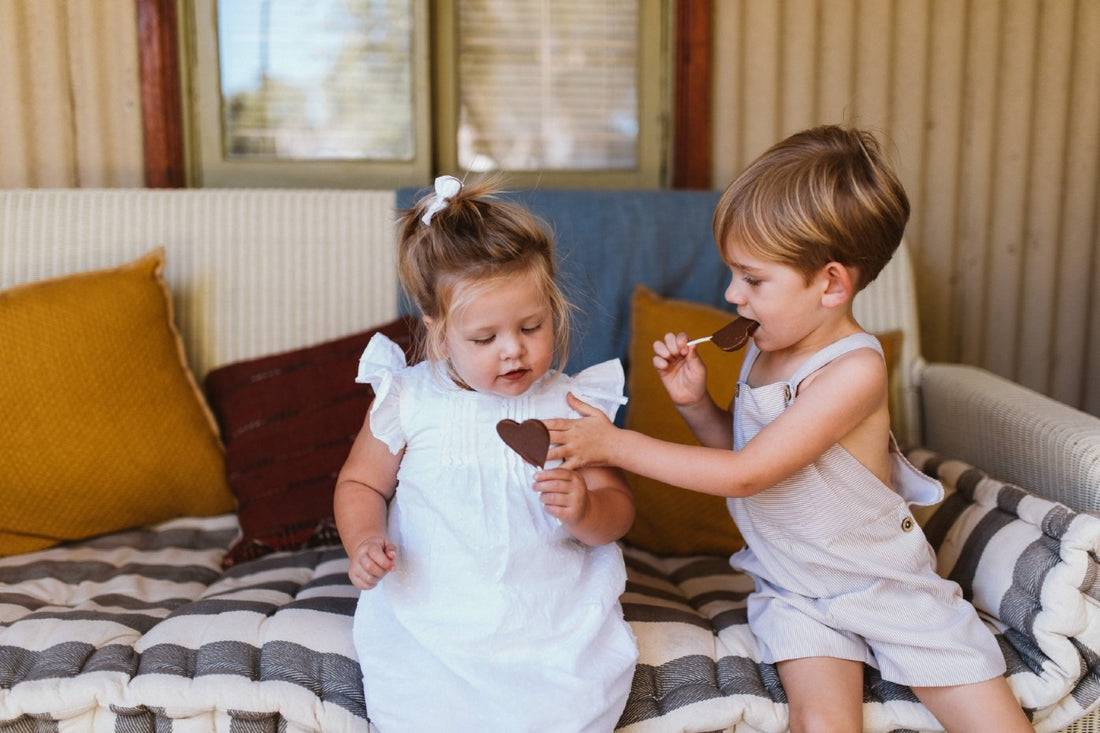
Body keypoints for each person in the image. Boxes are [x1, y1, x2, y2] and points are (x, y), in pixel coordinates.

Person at [545, 126, 1032, 732]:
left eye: (751, 279)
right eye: (733, 274)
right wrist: (698, 405)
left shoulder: (853, 371)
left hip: (879, 583)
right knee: (821, 724)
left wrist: (616, 443)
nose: (731, 295)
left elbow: (747, 477)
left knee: (994, 725)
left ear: (830, 283)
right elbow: (748, 454)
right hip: (797, 588)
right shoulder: (764, 350)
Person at [333, 175, 638, 732]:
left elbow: (617, 509)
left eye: (531, 326)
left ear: (555, 311)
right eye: (484, 338)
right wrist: (364, 540)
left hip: (547, 621)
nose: (513, 350)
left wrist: (586, 510)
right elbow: (360, 485)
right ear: (439, 333)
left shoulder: (571, 403)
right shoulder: (408, 398)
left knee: (562, 711)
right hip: (434, 620)